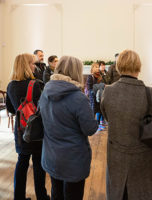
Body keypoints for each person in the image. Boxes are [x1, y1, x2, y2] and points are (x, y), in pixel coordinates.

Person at [101, 50, 152, 200]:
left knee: (118, 193)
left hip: (117, 151)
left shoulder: (107, 92)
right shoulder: (151, 94)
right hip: (144, 153)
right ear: (139, 68)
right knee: (143, 192)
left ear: (118, 67)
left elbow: (107, 117)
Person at [39, 56, 98, 200]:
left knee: (56, 193)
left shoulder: (46, 91)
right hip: (73, 160)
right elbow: (90, 129)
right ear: (76, 72)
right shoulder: (78, 98)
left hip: (51, 155)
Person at [6, 53, 49, 200]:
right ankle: (42, 196)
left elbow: (11, 109)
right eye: (32, 63)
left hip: (20, 129)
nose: (34, 66)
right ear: (26, 65)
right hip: (36, 129)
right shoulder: (35, 84)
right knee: (38, 163)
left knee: (22, 162)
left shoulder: (10, 85)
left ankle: (19, 197)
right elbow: (41, 108)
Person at [86, 63, 105, 130]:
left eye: (98, 67)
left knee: (100, 109)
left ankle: (99, 124)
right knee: (93, 109)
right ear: (92, 68)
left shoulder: (99, 76)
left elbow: (101, 85)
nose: (97, 68)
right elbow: (89, 88)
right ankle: (91, 124)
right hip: (92, 95)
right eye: (96, 67)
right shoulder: (90, 76)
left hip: (98, 95)